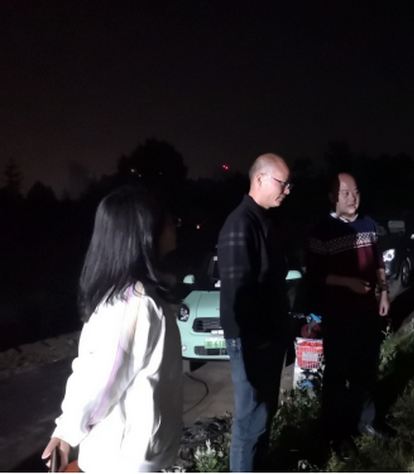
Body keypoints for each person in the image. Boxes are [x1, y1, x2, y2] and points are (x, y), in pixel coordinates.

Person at [41, 185, 183, 472]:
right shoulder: (132, 304)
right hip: (123, 459)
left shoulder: (133, 298)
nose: (175, 224)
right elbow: (102, 379)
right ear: (144, 231)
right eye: (169, 219)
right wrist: (67, 432)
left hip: (130, 454)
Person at [307, 173, 393, 460]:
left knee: (366, 370)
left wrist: (383, 292)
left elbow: (378, 262)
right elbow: (316, 275)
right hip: (338, 315)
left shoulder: (369, 225)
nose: (353, 198)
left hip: (366, 311)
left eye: (355, 192)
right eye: (345, 193)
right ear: (332, 197)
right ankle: (338, 435)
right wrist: (348, 283)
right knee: (337, 376)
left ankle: (367, 421)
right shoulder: (322, 231)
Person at [217, 153, 292, 472]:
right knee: (249, 423)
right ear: (260, 179)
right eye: (283, 183)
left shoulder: (266, 221)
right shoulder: (240, 224)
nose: (287, 191)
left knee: (264, 414)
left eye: (289, 185)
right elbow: (239, 293)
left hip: (269, 336)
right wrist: (257, 340)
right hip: (251, 341)